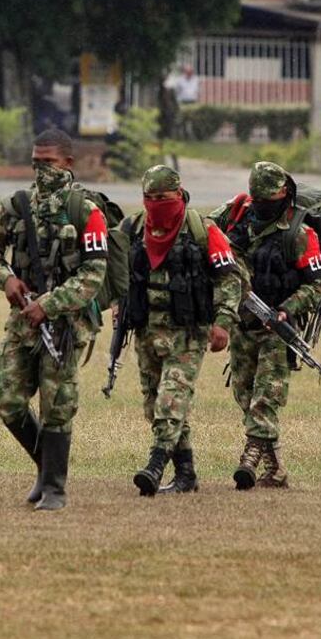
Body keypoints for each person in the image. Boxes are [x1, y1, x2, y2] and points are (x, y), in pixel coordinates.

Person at [0, 128, 109, 511]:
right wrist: (6, 279)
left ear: (69, 163)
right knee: (6, 398)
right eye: (35, 163)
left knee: (57, 403)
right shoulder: (16, 206)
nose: (41, 171)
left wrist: (50, 305)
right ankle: (44, 465)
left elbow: (93, 274)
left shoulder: (86, 210)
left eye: (48, 163)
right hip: (23, 320)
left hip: (65, 324)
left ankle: (54, 487)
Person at [123, 165, 242, 495]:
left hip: (188, 333)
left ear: (179, 194)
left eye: (163, 197)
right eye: (150, 198)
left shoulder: (203, 230)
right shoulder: (133, 228)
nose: (157, 203)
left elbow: (229, 279)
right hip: (147, 330)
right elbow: (117, 274)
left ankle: (155, 465)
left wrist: (223, 323)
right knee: (154, 404)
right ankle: (186, 472)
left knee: (171, 400)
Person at [210, 161, 321, 490]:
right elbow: (204, 233)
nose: (262, 205)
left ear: (283, 195)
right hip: (241, 324)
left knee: (266, 397)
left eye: (269, 199)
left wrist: (288, 310)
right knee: (245, 395)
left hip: (277, 328)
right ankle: (275, 471)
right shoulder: (235, 216)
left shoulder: (300, 233)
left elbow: (317, 285)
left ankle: (249, 459)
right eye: (257, 198)